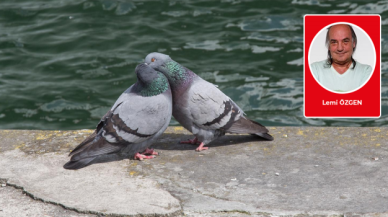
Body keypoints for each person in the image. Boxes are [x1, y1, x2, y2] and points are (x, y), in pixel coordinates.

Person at [310, 24, 372, 92]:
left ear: (353, 43)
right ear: (328, 46)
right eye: (334, 42)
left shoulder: (366, 71)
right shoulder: (314, 70)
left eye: (345, 41)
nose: (340, 48)